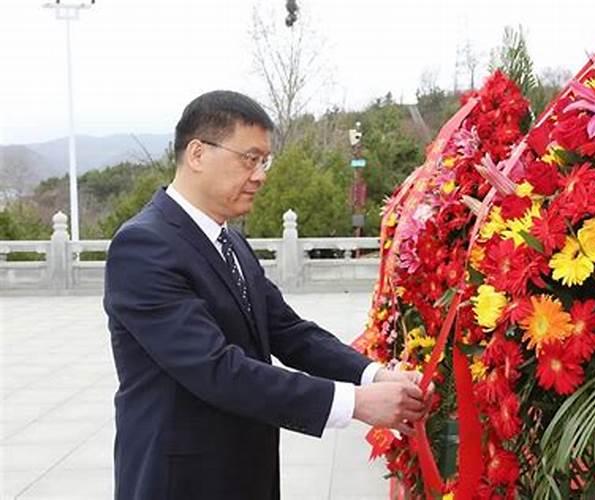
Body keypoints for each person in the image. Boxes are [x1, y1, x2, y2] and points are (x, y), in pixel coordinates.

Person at [103, 90, 429, 500]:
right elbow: (217, 369)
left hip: (246, 469)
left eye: (264, 161)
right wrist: (356, 403)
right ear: (198, 154)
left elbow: (289, 332)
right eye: (249, 158)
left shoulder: (231, 241)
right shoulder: (144, 247)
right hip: (181, 478)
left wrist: (375, 374)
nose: (260, 175)